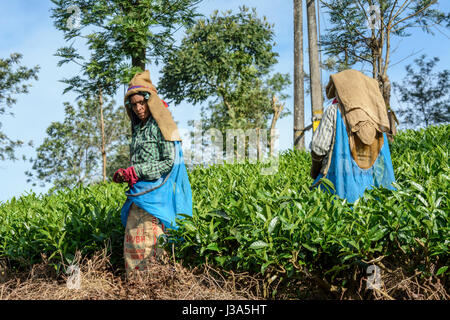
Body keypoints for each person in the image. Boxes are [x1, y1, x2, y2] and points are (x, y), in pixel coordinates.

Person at [113, 70, 192, 275]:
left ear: (150, 101)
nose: (139, 108)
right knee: (133, 247)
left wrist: (137, 171)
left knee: (151, 245)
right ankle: (135, 289)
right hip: (139, 196)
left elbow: (168, 162)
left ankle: (153, 288)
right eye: (134, 104)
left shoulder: (161, 126)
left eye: (142, 103)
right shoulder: (139, 129)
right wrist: (126, 174)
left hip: (156, 196)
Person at [310, 69, 396, 202]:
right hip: (370, 181)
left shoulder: (334, 110)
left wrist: (315, 170)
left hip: (338, 178)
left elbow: (318, 147)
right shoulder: (376, 114)